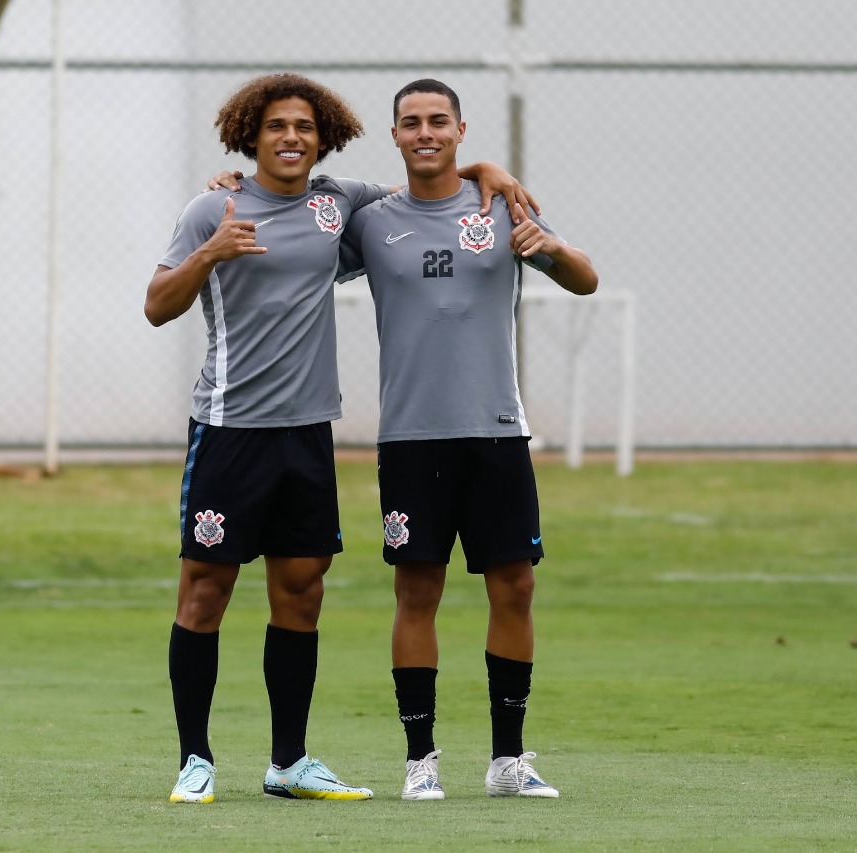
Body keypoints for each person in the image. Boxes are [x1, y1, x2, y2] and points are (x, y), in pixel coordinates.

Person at [147, 72, 533, 804]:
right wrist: (209, 254)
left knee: (302, 591)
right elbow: (156, 304)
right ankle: (193, 758)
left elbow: (426, 181)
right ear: (249, 136)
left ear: (323, 136)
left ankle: (287, 760)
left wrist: (490, 170)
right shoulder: (211, 208)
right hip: (229, 431)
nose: (290, 137)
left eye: (303, 127)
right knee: (205, 591)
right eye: (275, 127)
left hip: (307, 434)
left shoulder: (340, 205)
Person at [336, 78, 598, 801]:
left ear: (460, 129)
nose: (425, 132)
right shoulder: (371, 221)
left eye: (438, 121)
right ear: (394, 135)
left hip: (495, 432)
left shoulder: (503, 204)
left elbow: (585, 278)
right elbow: (300, 240)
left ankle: (508, 760)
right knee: (416, 590)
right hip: (412, 438)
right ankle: (421, 760)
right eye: (411, 122)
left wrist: (547, 245)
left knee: (515, 585)